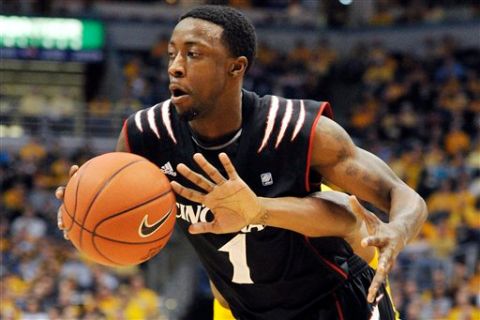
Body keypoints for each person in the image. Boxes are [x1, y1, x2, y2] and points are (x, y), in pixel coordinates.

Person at [56, 5, 427, 319]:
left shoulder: (296, 130)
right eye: (171, 54)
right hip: (240, 309)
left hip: (332, 301)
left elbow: (401, 194)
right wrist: (79, 210)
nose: (175, 67)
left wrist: (400, 229)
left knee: (334, 207)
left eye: (193, 53)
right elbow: (117, 207)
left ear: (236, 68)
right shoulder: (146, 135)